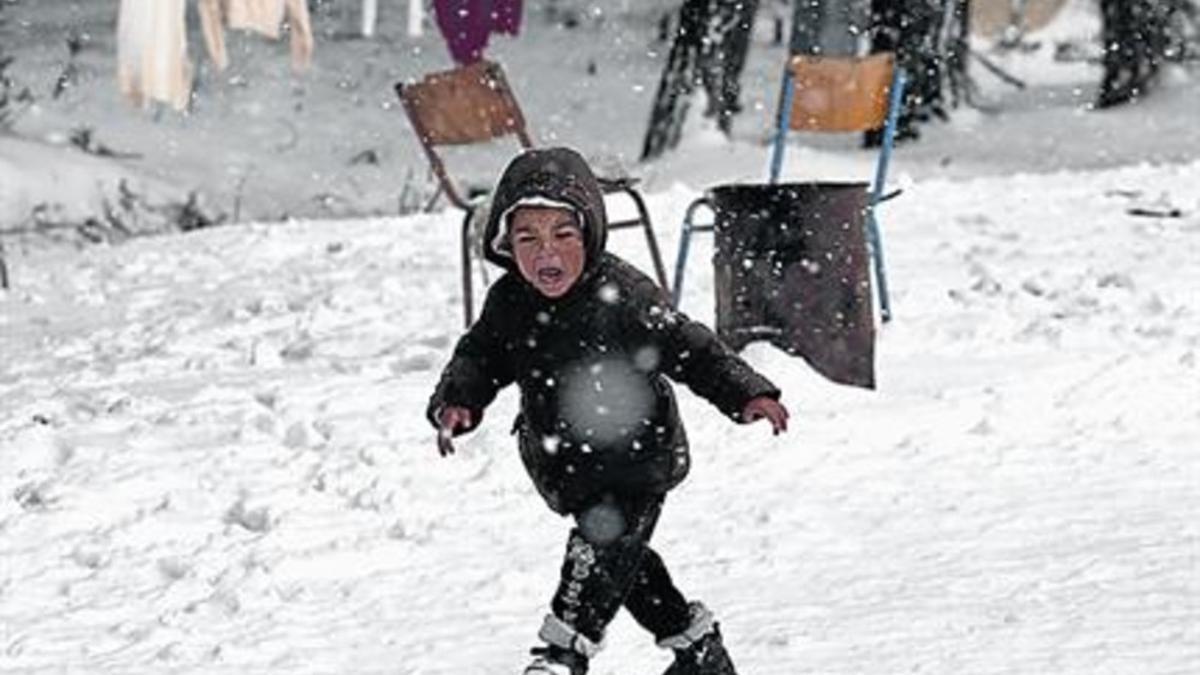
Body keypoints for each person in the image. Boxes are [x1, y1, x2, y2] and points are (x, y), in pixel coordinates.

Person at [426, 147, 790, 675]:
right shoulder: (510, 302)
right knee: (624, 563)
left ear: (590, 235)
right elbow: (480, 356)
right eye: (527, 238)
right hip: (567, 463)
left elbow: (689, 346)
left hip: (638, 459)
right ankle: (698, 648)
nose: (545, 252)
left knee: (599, 548)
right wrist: (459, 400)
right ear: (506, 245)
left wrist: (746, 391)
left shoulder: (624, 293)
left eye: (562, 235)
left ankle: (561, 653)